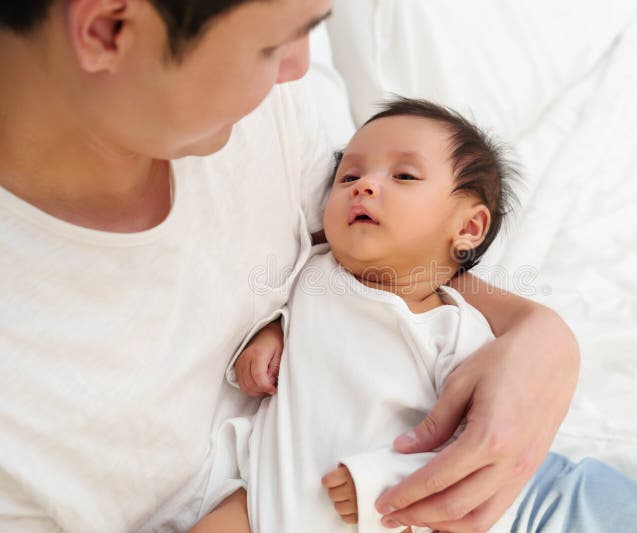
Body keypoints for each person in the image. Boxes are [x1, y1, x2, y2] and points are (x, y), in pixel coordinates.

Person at [0, 2, 580, 532]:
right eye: (268, 47)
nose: (301, 68)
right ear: (108, 29)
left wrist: (541, 335)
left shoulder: (266, 116)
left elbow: (384, 269)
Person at [196, 98, 637, 533]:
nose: (364, 184)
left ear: (467, 228)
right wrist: (269, 334)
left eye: (404, 177)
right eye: (348, 176)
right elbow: (287, 312)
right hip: (267, 505)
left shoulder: (454, 327)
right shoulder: (311, 269)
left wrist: (381, 481)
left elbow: (471, 443)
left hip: (383, 506)